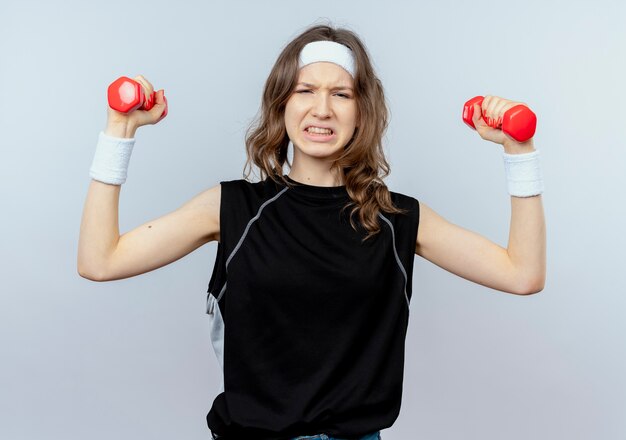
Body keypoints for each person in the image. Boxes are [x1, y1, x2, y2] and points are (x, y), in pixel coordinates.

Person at [78, 23, 546, 440]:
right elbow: (100, 261)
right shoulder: (232, 208)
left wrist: (519, 153)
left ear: (362, 111)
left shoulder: (395, 218)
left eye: (341, 94)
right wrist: (118, 130)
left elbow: (521, 274)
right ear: (282, 103)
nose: (322, 109)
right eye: (305, 90)